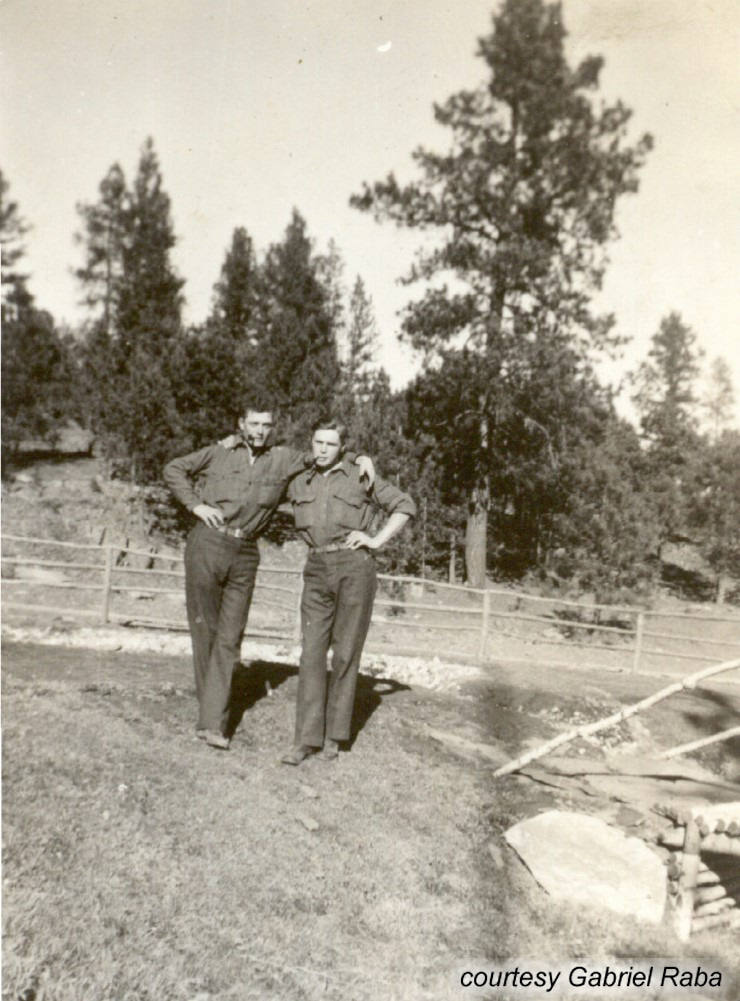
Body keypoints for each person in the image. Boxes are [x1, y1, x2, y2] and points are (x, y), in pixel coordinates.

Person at [163, 405, 374, 750]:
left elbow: (324, 454)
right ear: (241, 424)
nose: (260, 430)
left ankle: (213, 722)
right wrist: (195, 505)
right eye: (254, 424)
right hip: (207, 542)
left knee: (230, 636)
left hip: (245, 552)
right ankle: (210, 713)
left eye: (267, 425)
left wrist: (358, 455)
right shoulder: (219, 452)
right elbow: (174, 469)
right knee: (206, 632)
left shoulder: (283, 459)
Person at [280, 420, 416, 765]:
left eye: (331, 444)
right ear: (311, 443)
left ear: (341, 447)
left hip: (354, 567)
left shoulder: (360, 475)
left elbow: (405, 505)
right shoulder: (300, 477)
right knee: (310, 654)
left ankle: (334, 738)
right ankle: (306, 739)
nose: (323, 449)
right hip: (316, 568)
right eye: (318, 442)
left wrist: (375, 541)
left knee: (344, 654)